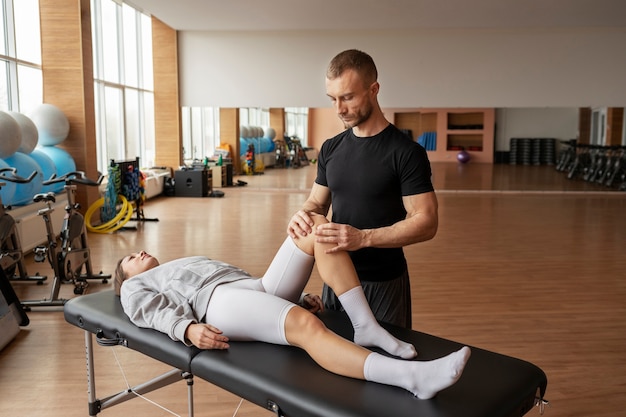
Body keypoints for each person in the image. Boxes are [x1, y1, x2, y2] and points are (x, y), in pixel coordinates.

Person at [115, 214, 470, 400]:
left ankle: (366, 325)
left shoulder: (175, 263)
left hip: (249, 288)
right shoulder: (135, 286)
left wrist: (292, 297)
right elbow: (149, 311)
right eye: (131, 258)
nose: (139, 253)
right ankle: (413, 378)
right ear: (125, 277)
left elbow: (249, 291)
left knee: (318, 228)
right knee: (305, 327)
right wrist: (187, 329)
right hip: (216, 305)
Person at [288, 49, 438, 328]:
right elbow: (316, 204)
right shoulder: (331, 148)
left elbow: (427, 222)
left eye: (348, 97)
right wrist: (302, 214)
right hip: (335, 278)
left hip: (383, 281)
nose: (339, 109)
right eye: (332, 99)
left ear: (374, 89)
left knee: (385, 366)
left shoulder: (406, 153)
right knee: (335, 363)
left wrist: (363, 238)